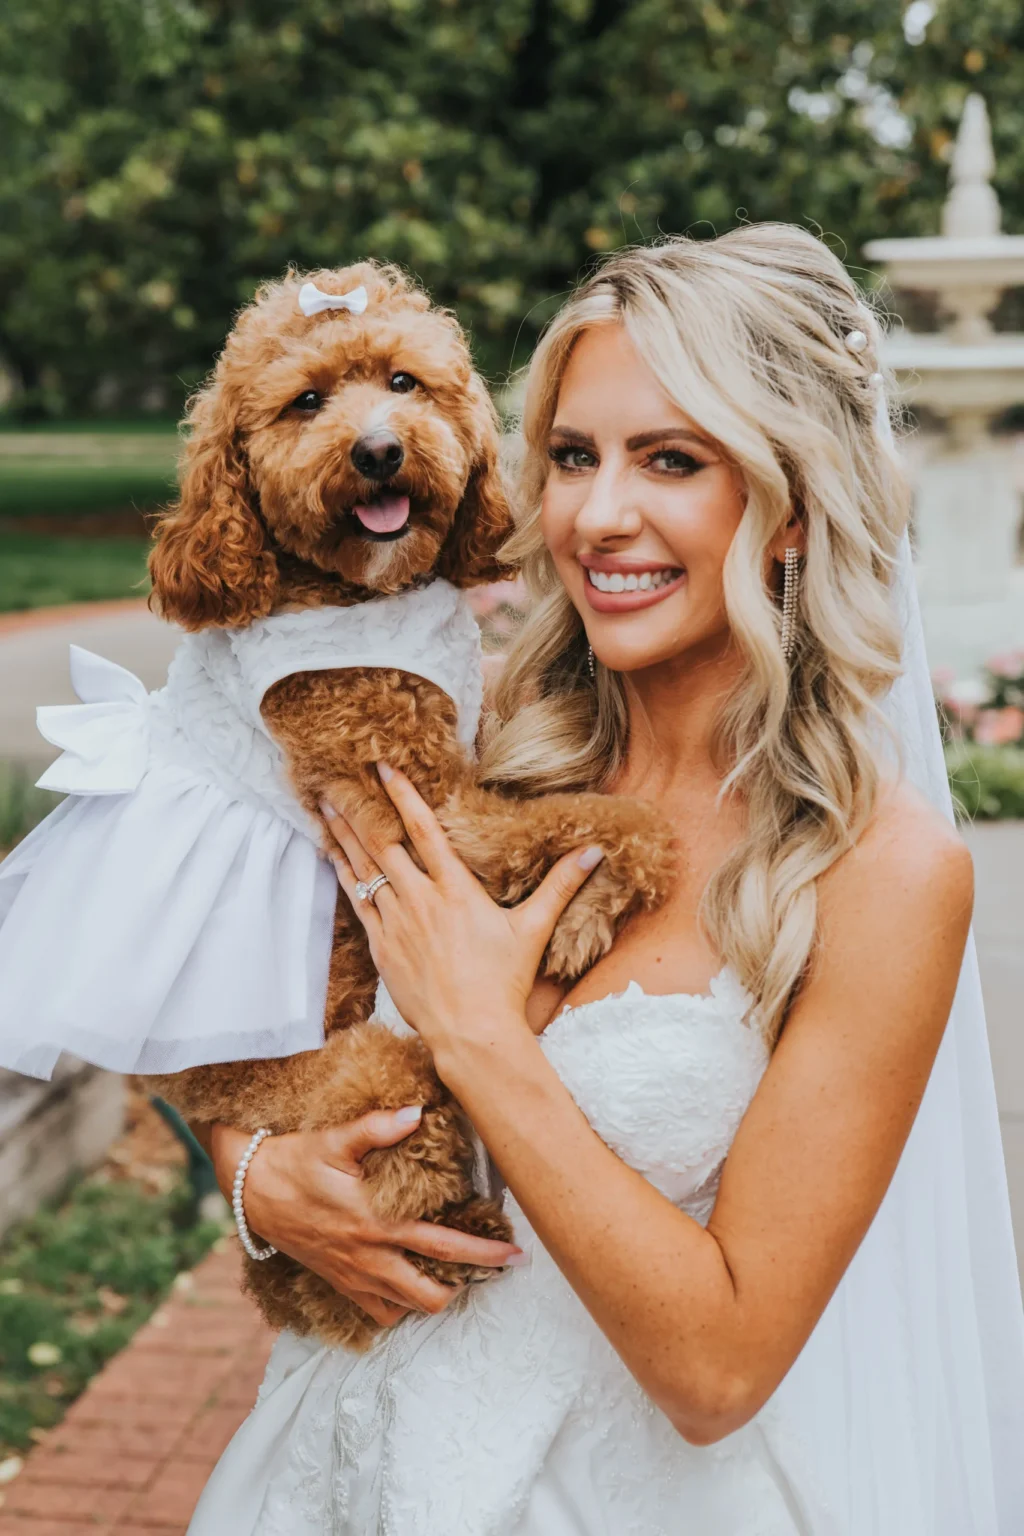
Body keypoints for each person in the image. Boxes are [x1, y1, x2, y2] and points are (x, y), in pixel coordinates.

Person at [188, 225, 1024, 1535]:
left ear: (792, 501)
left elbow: (718, 1370)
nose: (595, 514)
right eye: (573, 455)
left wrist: (478, 1038)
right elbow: (223, 1009)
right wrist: (254, 1177)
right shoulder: (472, 753)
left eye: (673, 460)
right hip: (331, 1463)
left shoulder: (878, 872)